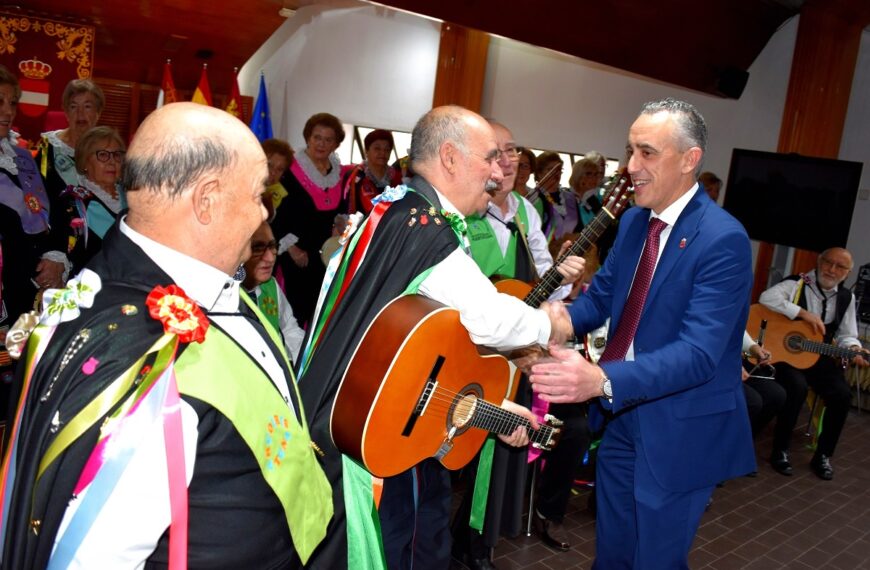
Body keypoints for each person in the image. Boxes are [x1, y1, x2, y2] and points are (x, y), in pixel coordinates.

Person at [0, 102, 332, 568]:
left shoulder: (206, 282)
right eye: (258, 195)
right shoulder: (136, 351)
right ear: (207, 199)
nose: (263, 216)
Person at [297, 105, 573, 570]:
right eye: (488, 158)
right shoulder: (424, 228)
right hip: (378, 433)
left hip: (394, 411)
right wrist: (553, 322)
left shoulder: (396, 211)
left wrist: (491, 408)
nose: (499, 170)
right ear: (449, 157)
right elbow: (487, 319)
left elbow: (435, 336)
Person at [528, 98, 756, 568]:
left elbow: (698, 354)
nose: (630, 167)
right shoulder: (633, 221)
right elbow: (601, 298)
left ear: (690, 160)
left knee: (655, 560)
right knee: (612, 553)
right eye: (630, 151)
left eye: (647, 153)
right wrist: (549, 320)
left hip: (680, 428)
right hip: (622, 416)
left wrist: (601, 380)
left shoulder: (722, 239)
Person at [452, 120, 585, 567]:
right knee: (463, 450)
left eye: (512, 151)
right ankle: (455, 543)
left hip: (516, 347)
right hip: (471, 344)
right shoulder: (466, 209)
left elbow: (545, 279)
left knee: (501, 451)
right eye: (497, 152)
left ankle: (479, 545)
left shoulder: (527, 213)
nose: (506, 161)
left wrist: (561, 279)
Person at [759, 247, 870, 480]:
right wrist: (803, 313)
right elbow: (766, 298)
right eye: (828, 262)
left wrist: (853, 349)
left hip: (819, 356)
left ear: (848, 272)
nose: (832, 269)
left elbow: (847, 333)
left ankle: (823, 455)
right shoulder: (798, 283)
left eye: (840, 267)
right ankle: (780, 450)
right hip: (787, 356)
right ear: (819, 262)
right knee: (795, 388)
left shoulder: (845, 297)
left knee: (841, 395)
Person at [0, 65, 67, 408]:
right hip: (5, 289)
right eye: (0, 101)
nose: (8, 111)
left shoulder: (28, 158)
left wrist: (56, 258)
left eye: (12, 102)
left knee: (28, 391)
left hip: (38, 289)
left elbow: (60, 208)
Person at [271, 112, 350, 326]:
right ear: (308, 138)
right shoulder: (290, 170)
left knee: (318, 315)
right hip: (295, 257)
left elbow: (341, 209)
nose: (321, 144)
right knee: (292, 315)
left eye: (328, 139)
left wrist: (338, 227)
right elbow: (277, 215)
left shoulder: (339, 173)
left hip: (323, 257)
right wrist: (291, 248)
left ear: (336, 144)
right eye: (317, 137)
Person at [60, 126, 127, 273]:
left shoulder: (133, 197)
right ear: (84, 162)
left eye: (117, 155)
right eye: (103, 155)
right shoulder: (73, 203)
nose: (111, 162)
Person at [242, 221, 306, 364]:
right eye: (258, 249)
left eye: (272, 247)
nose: (270, 258)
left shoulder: (270, 285)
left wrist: (308, 361)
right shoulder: (222, 296)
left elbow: (289, 329)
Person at [35, 79, 105, 197]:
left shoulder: (108, 152)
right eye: (73, 106)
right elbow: (36, 188)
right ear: (66, 112)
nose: (80, 113)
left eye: (87, 106)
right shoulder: (48, 145)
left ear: (98, 112)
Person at [343, 129, 403, 214]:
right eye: (377, 148)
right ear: (366, 151)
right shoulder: (356, 177)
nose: (382, 153)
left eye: (387, 149)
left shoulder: (398, 177)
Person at [741, 331, 786, 438]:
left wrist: (754, 348)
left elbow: (736, 328)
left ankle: (746, 442)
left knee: (776, 395)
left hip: (734, 359)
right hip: (714, 361)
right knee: (753, 401)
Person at [261, 137, 294, 221]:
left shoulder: (283, 197)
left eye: (279, 169)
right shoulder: (241, 181)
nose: (273, 172)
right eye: (269, 165)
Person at [513, 147, 542, 220]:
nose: (520, 170)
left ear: (531, 170)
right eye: (517, 165)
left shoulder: (536, 199)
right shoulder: (501, 195)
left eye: (525, 166)